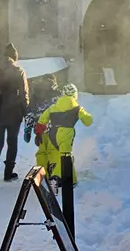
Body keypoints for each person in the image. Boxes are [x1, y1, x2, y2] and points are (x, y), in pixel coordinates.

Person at [32, 82, 92, 236]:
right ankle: (57, 179)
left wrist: (39, 133)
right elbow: (88, 121)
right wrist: (85, 116)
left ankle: (47, 177)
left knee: (51, 155)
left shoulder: (54, 106)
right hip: (66, 134)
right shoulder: (77, 108)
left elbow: (43, 120)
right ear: (75, 95)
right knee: (64, 157)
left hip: (52, 133)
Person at [0, 44, 29, 188]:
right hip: (13, 113)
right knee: (12, 142)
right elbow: (24, 94)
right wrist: (25, 111)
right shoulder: (18, 71)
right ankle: (8, 173)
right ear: (14, 57)